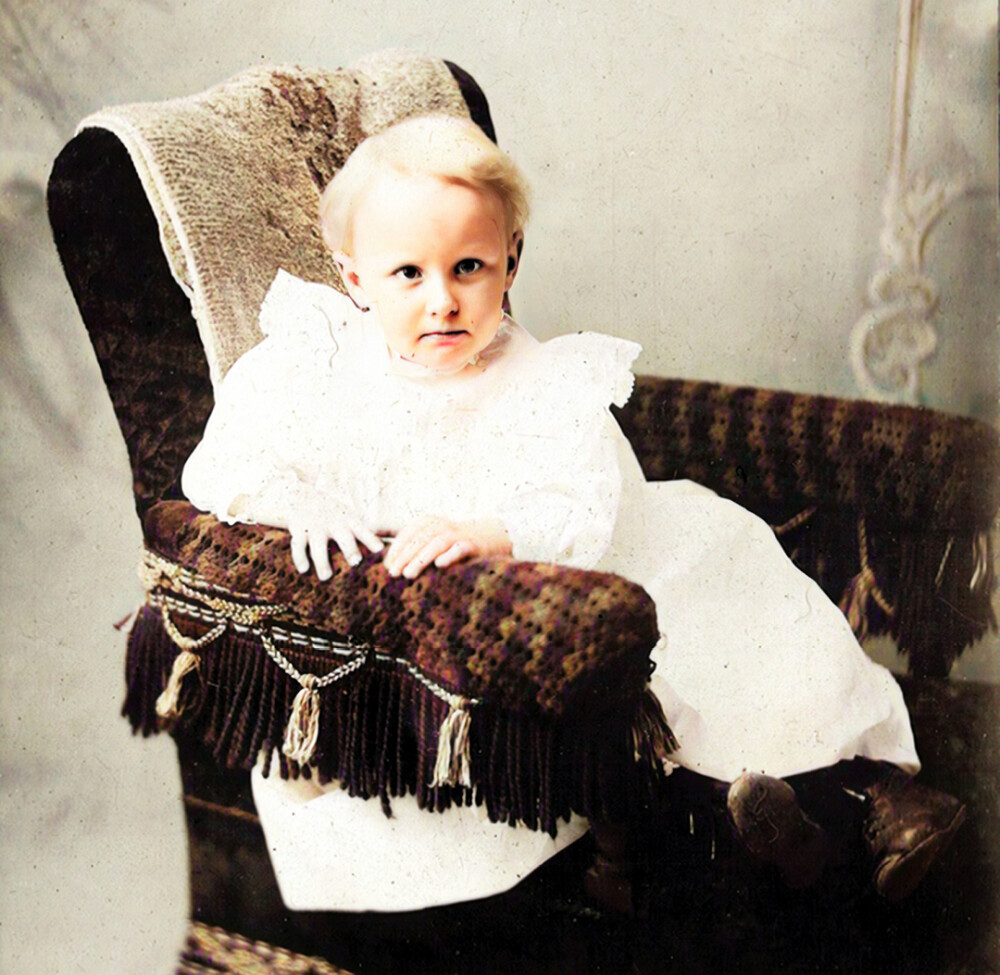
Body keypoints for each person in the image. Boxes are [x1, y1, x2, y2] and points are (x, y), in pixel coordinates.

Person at [182, 114, 964, 911]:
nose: (444, 301)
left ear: (511, 259)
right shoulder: (320, 360)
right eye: (409, 275)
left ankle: (869, 793)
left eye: (470, 267)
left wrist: (496, 530)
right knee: (629, 710)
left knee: (737, 599)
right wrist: (296, 500)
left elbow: (585, 496)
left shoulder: (542, 377)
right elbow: (224, 463)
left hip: (601, 555)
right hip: (484, 627)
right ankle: (778, 835)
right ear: (355, 280)